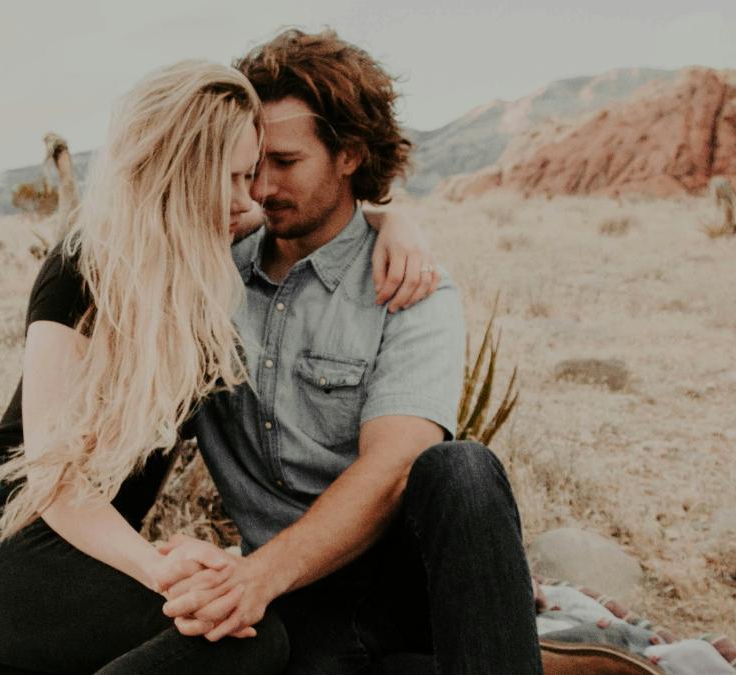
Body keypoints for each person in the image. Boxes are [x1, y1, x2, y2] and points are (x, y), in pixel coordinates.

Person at [0, 58, 437, 674]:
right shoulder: (85, 266)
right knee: (251, 643)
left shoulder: (210, 262)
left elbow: (322, 224)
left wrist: (393, 220)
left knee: (245, 636)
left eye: (256, 176)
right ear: (184, 171)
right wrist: (156, 567)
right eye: (237, 177)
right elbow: (56, 487)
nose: (253, 199)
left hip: (96, 555)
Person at [156, 30, 545, 674]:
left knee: (461, 468)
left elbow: (395, 466)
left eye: (284, 162)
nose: (259, 186)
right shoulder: (209, 273)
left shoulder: (410, 285)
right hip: (298, 603)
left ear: (349, 156)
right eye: (250, 163)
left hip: (399, 582)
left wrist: (255, 579)